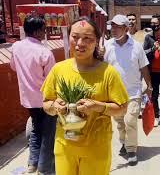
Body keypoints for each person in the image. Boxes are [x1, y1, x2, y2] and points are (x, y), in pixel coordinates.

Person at [41, 16, 129, 175]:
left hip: (96, 148)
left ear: (97, 41)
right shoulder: (58, 69)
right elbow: (46, 103)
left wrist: (98, 106)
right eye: (75, 37)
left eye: (87, 38)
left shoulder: (108, 73)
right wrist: (55, 107)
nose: (80, 43)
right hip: (65, 147)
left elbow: (122, 108)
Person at [10, 16, 56, 174]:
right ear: (37, 32)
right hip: (46, 99)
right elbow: (52, 79)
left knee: (36, 129)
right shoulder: (45, 52)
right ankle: (43, 168)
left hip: (28, 98)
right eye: (44, 30)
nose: (45, 33)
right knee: (48, 134)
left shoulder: (16, 47)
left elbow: (14, 67)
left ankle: (32, 164)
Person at [104, 14, 152, 166]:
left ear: (126, 29)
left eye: (118, 27)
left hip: (133, 92)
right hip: (114, 94)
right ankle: (124, 142)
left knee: (130, 120)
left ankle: (131, 150)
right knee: (120, 123)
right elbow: (101, 67)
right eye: (112, 26)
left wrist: (149, 86)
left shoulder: (136, 46)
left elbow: (144, 67)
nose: (114, 29)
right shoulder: (107, 45)